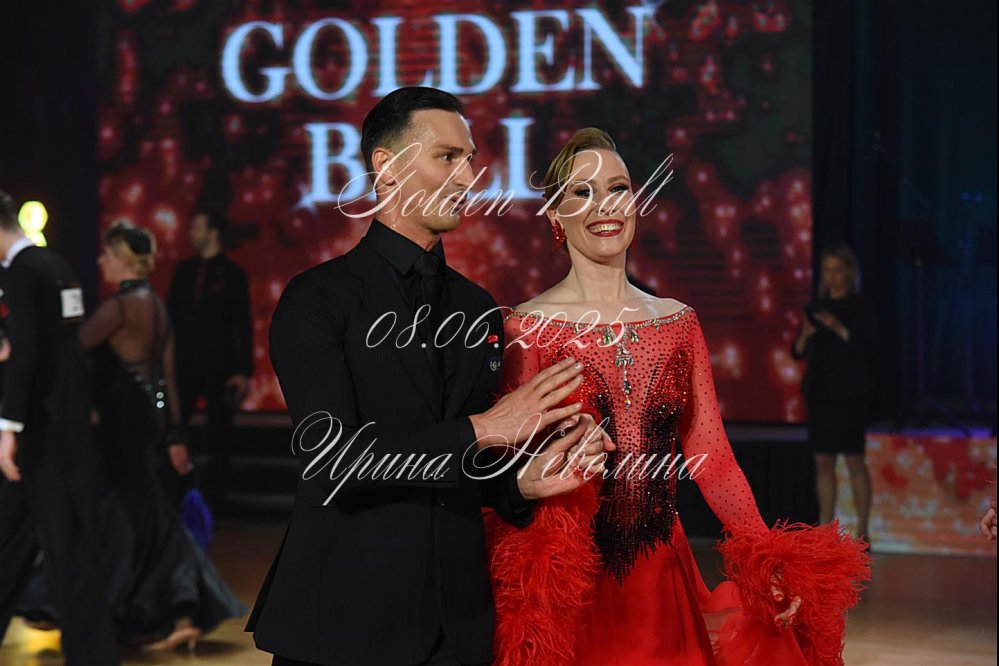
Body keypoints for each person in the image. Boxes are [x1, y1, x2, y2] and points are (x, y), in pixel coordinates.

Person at [247, 87, 612, 666]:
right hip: (343, 621)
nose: (468, 177)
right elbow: (337, 462)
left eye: (470, 159)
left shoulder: (477, 307)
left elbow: (458, 467)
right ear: (386, 166)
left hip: (457, 627)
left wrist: (522, 483)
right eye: (447, 157)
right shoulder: (317, 299)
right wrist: (486, 429)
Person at [487, 130, 871, 666]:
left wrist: (767, 557)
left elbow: (712, 459)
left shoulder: (678, 322)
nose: (605, 205)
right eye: (582, 192)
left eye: (617, 188)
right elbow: (505, 462)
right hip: (569, 590)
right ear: (555, 215)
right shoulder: (526, 328)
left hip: (661, 580)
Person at [80, 221, 245, 650]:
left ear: (123, 260)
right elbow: (166, 380)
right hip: (146, 427)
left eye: (107, 254)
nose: (101, 260)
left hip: (120, 428)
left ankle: (143, 609)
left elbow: (72, 350)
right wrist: (175, 436)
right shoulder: (156, 306)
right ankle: (177, 612)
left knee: (128, 519)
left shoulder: (118, 309)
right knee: (152, 519)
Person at [0, 189, 121, 664]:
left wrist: (8, 428)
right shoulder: (58, 265)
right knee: (33, 539)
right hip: (66, 423)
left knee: (59, 543)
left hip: (38, 432)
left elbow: (28, 354)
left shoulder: (21, 272)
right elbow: (62, 345)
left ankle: (93, 655)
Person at [167, 208, 253, 514]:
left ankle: (213, 503)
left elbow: (242, 325)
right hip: (185, 364)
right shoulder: (184, 271)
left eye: (198, 228)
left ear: (213, 232)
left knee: (219, 436)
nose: (192, 233)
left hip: (220, 367)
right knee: (178, 427)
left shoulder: (233, 275)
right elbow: (171, 319)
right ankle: (176, 496)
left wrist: (243, 371)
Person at [792, 244, 877, 538]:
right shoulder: (816, 308)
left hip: (850, 394)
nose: (832, 277)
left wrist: (838, 328)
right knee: (823, 461)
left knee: (854, 460)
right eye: (827, 271)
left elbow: (869, 350)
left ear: (849, 273)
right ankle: (825, 529)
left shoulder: (860, 308)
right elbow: (797, 351)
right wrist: (806, 333)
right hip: (821, 393)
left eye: (837, 270)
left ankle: (863, 531)